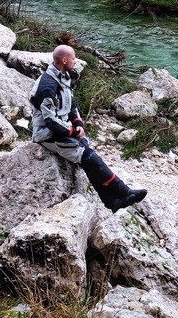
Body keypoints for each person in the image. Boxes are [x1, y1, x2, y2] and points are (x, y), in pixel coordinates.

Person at [30, 44, 148, 212]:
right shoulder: (47, 86)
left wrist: (78, 123)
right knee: (87, 155)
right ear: (64, 60)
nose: (75, 60)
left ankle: (111, 201)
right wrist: (71, 131)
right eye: (73, 58)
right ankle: (122, 192)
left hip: (61, 129)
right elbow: (50, 121)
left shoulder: (63, 77)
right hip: (47, 134)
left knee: (86, 151)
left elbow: (71, 105)